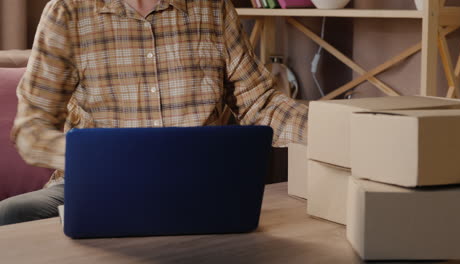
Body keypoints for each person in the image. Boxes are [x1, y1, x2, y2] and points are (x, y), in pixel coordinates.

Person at [0, 0, 308, 226]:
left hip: (195, 187)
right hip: (94, 187)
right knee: (12, 215)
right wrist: (96, 158)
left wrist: (332, 129)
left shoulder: (214, 9)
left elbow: (261, 104)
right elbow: (32, 129)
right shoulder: (67, 12)